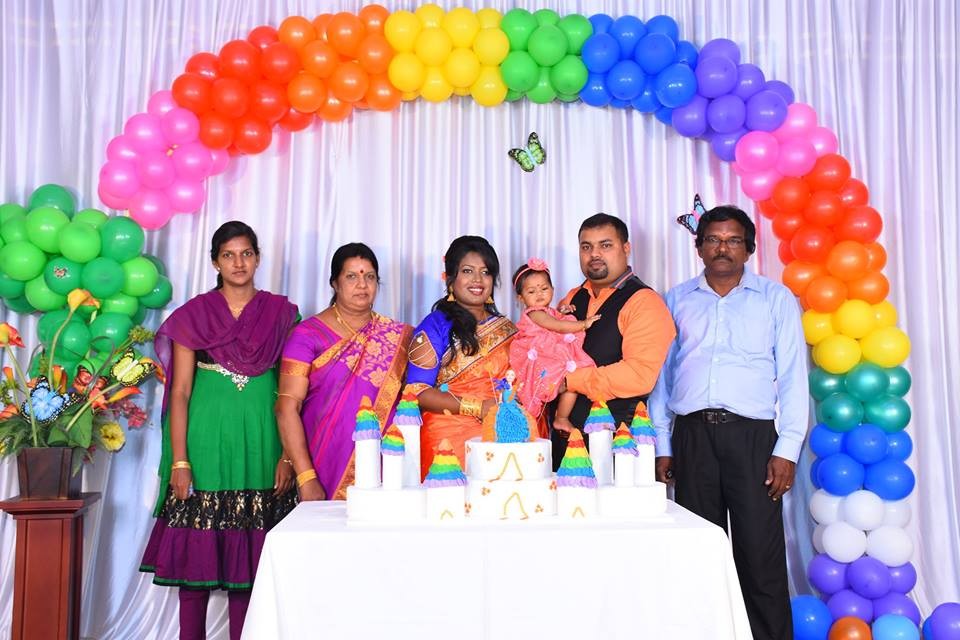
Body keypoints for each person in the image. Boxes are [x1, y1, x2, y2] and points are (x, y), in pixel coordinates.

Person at [648, 205, 809, 640]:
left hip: (753, 439)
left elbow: (793, 377)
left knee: (760, 555)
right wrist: (664, 444)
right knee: (700, 553)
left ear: (749, 249)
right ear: (699, 247)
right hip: (692, 437)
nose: (723, 248)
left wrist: (787, 449)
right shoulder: (675, 300)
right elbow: (662, 378)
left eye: (733, 240)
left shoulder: (775, 299)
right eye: (713, 240)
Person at [140, 221, 299, 640]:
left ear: (258, 258)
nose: (238, 263)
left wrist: (288, 455)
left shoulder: (281, 315)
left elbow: (291, 390)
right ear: (215, 262)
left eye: (246, 253)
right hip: (205, 446)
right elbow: (180, 392)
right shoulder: (194, 316)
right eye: (228, 255)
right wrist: (180, 461)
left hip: (263, 444)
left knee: (250, 568)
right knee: (195, 566)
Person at [275, 243, 412, 501]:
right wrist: (306, 477)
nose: (362, 284)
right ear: (335, 283)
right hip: (323, 465)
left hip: (387, 465)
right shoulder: (307, 335)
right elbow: (286, 407)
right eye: (351, 276)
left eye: (369, 276)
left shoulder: (399, 336)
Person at [553, 213, 676, 464]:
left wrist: (569, 381)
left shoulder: (644, 302)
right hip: (563, 441)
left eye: (605, 245)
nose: (594, 254)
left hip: (618, 445)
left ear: (626, 248)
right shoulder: (573, 297)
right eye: (586, 247)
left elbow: (638, 375)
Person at [406, 235, 526, 477]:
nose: (478, 280)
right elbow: (416, 391)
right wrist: (478, 407)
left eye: (485, 272)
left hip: (503, 433)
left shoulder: (507, 328)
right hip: (447, 439)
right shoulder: (434, 326)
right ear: (451, 278)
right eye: (468, 271)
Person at [508, 257, 599, 427]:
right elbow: (557, 326)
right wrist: (583, 324)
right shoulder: (535, 313)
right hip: (543, 358)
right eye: (531, 292)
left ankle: (561, 418)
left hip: (551, 354)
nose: (539, 294)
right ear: (521, 298)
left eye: (544, 288)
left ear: (552, 289)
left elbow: (555, 320)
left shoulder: (547, 311)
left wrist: (561, 312)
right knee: (572, 377)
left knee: (574, 378)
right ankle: (561, 418)